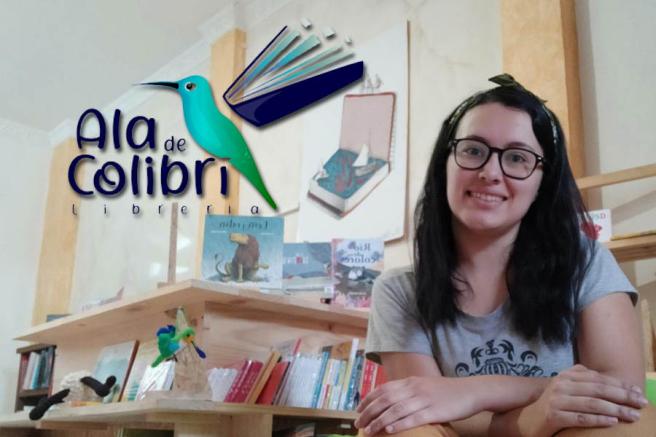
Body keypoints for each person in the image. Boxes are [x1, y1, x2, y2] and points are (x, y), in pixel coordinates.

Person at [355, 74, 654, 436]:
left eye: (517, 158)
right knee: (396, 430)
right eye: (473, 150)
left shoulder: (586, 261)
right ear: (445, 163)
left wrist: (474, 392)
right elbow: (421, 410)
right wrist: (535, 413)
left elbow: (621, 392)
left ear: (543, 180)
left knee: (628, 421)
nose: (490, 172)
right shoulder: (398, 290)